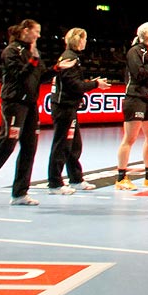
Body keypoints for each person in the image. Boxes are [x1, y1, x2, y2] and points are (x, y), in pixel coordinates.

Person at [0, 20, 74, 207]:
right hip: (14, 104)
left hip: (30, 104)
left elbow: (40, 76)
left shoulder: (33, 53)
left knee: (29, 147)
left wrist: (57, 69)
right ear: (26, 31)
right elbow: (19, 75)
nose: (39, 36)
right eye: (37, 31)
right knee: (7, 145)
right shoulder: (11, 51)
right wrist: (33, 59)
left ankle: (19, 194)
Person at [46, 28, 110, 195]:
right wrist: (96, 85)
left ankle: (76, 178)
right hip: (63, 107)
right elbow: (75, 86)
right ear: (77, 40)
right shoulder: (69, 59)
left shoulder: (73, 57)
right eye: (84, 38)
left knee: (74, 145)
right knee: (61, 145)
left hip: (69, 107)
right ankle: (54, 182)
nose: (86, 42)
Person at [115, 22, 148, 191]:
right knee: (130, 138)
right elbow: (139, 74)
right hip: (135, 98)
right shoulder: (134, 51)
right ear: (147, 35)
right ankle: (121, 178)